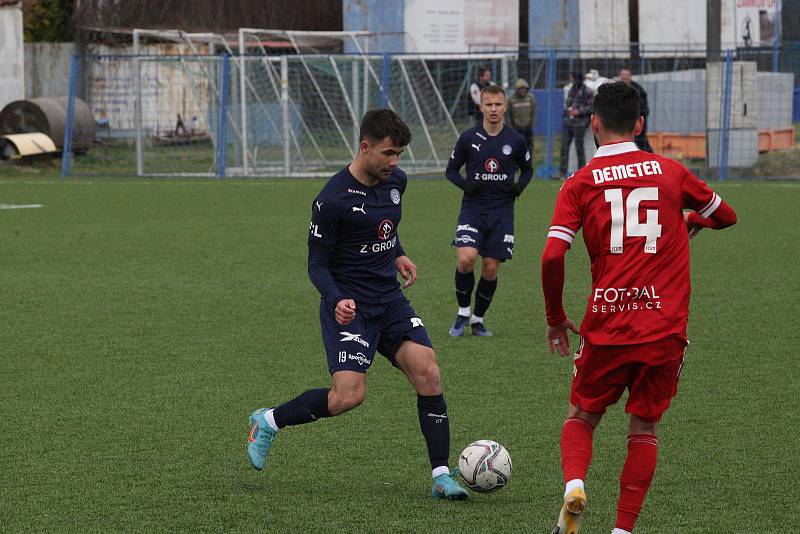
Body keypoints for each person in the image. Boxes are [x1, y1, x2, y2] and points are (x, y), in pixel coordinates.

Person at [541, 82, 737, 534]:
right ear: (640, 124)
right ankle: (622, 530)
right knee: (644, 428)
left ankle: (575, 484)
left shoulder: (580, 182)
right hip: (665, 326)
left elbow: (552, 255)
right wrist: (690, 218)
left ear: (594, 124)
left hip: (608, 325)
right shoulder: (671, 171)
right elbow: (726, 215)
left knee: (583, 416)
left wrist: (555, 317)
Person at [246, 109, 468, 500]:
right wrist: (337, 300)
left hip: (389, 299)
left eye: (399, 153)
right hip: (350, 306)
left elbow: (386, 228)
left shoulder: (396, 181)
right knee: (348, 396)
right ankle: (268, 421)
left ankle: (441, 476)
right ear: (364, 147)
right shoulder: (331, 200)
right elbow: (316, 265)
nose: (394, 162)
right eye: (387, 153)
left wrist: (398, 253)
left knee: (429, 374)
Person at [446, 84, 533, 337]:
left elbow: (527, 169)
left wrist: (519, 187)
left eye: (498, 104)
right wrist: (466, 185)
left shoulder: (515, 141)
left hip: (502, 212)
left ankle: (478, 319)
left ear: (504, 106)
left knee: (491, 267)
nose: (493, 109)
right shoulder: (468, 139)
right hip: (473, 209)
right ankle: (463, 312)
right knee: (465, 259)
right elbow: (450, 170)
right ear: (481, 106)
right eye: (489, 104)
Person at [559, 72, 594, 178]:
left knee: (579, 148)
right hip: (569, 123)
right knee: (564, 147)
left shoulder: (587, 91)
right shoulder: (571, 89)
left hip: (580, 124)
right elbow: (568, 104)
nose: (571, 80)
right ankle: (562, 172)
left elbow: (591, 106)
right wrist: (567, 114)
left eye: (572, 78)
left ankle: (582, 172)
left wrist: (578, 111)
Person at [619, 68, 653, 153]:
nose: (625, 77)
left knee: (641, 142)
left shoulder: (638, 90)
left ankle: (650, 158)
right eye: (623, 75)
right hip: (619, 122)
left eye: (627, 75)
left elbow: (644, 107)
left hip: (636, 119)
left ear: (630, 77)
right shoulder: (615, 89)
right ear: (620, 76)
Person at [507, 78, 537, 155]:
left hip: (528, 127)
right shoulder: (511, 99)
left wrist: (532, 124)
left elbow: (534, 111)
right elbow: (508, 115)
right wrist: (511, 127)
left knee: (529, 146)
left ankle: (528, 163)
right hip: (516, 128)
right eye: (520, 89)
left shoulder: (530, 98)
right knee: (516, 147)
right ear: (517, 89)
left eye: (524, 89)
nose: (522, 91)